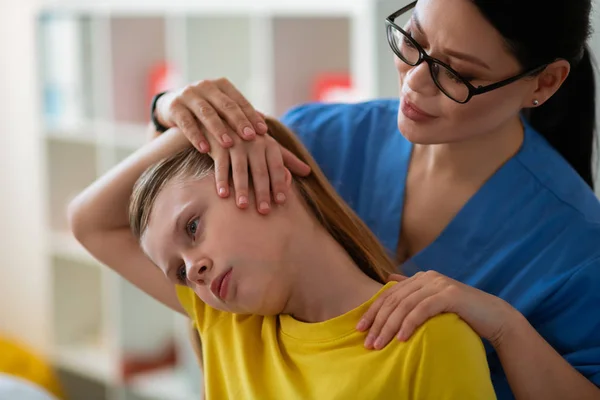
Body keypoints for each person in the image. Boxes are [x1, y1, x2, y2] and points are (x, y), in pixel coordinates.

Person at [147, 0, 600, 399]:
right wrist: (171, 111)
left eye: (458, 73)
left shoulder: (577, 247)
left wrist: (504, 328)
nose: (415, 82)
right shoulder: (311, 141)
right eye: (414, 40)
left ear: (544, 83)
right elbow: (131, 221)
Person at [68, 118, 496, 399]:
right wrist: (186, 117)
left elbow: (91, 224)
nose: (193, 270)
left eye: (192, 227)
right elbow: (89, 223)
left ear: (267, 175)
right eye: (178, 271)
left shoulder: (427, 341)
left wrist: (226, 126)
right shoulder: (226, 321)